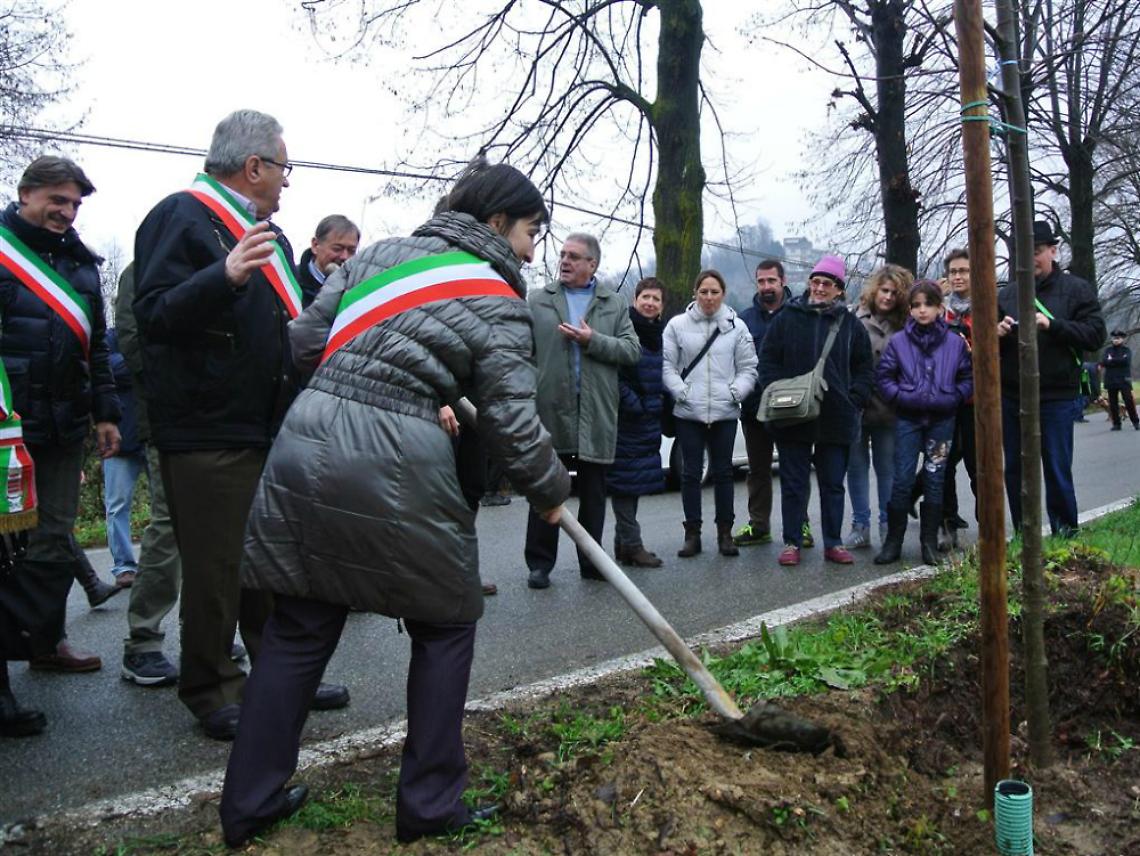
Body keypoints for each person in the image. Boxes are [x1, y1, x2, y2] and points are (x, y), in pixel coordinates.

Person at [219, 160, 570, 848]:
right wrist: (552, 489)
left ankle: (249, 804)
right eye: (532, 232)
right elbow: (511, 422)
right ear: (498, 224)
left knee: (298, 624)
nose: (532, 250)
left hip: (307, 436)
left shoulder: (376, 255)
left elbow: (305, 342)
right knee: (446, 621)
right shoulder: (498, 299)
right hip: (399, 450)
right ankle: (430, 805)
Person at [133, 110, 348, 739]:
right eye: (283, 168)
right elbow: (155, 315)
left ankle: (279, 677)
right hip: (208, 431)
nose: (287, 182)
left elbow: (284, 332)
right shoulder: (180, 216)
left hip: (264, 426)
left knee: (269, 563)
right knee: (219, 567)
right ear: (253, 166)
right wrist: (222, 277)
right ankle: (211, 687)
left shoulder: (270, 237)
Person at [0, 156, 120, 681]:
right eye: (58, 200)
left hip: (64, 423)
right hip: (7, 424)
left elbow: (94, 349)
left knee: (51, 539)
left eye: (74, 203)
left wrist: (106, 415)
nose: (67, 212)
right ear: (26, 194)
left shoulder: (82, 266)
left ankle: (46, 641)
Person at [525, 233, 639, 589]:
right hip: (551, 409)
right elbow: (523, 353)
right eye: (562, 255)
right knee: (546, 489)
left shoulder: (614, 303)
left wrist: (593, 341)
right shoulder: (538, 300)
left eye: (574, 256)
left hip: (595, 411)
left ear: (593, 264)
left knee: (593, 495)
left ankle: (592, 563)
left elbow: (632, 351)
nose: (565, 261)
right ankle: (540, 565)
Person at [757, 254, 873, 567]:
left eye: (828, 283)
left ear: (839, 289)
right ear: (809, 283)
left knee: (833, 484)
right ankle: (792, 541)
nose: (820, 287)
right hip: (791, 416)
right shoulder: (787, 318)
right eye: (816, 281)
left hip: (836, 417)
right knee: (794, 483)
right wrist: (776, 391)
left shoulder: (850, 325)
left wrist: (855, 397)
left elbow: (865, 366)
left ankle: (833, 542)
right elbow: (767, 359)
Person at [998, 220, 1106, 536]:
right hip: (1012, 395)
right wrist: (999, 332)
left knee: (1057, 469)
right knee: (1015, 470)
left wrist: (1053, 324)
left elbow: (1095, 335)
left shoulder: (1076, 290)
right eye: (1023, 253)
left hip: (1057, 396)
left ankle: (1065, 536)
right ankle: (1024, 536)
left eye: (1037, 251)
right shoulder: (1007, 294)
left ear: (1053, 251)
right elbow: (988, 340)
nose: (1030, 259)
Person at [115, 262, 182, 686]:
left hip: (224, 420)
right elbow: (132, 341)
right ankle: (143, 641)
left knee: (218, 530)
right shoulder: (143, 269)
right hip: (169, 416)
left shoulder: (222, 256)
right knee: (169, 524)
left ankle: (207, 636)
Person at [873, 281, 973, 566]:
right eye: (916, 305)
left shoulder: (955, 342)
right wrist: (903, 397)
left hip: (942, 421)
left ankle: (928, 543)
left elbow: (967, 378)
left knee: (935, 479)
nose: (921, 310)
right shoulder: (899, 342)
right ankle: (893, 542)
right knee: (903, 479)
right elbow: (884, 378)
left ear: (940, 308)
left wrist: (953, 397)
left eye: (927, 304)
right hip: (908, 420)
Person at [664, 269, 757, 558]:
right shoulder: (676, 326)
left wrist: (735, 393)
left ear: (723, 294)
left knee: (723, 473)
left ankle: (725, 534)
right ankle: (692, 534)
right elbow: (668, 366)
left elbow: (748, 368)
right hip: (688, 412)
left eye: (714, 292)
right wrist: (681, 392)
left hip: (724, 411)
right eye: (703, 291)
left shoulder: (736, 327)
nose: (708, 297)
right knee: (691, 474)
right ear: (695, 293)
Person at [843, 264, 910, 550]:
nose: (888, 297)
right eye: (884, 290)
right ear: (874, 290)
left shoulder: (905, 323)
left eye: (894, 293)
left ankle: (887, 524)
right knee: (856, 467)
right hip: (857, 403)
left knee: (887, 468)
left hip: (889, 406)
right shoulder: (853, 317)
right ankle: (860, 525)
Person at [607, 277, 667, 567]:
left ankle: (623, 546)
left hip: (648, 422)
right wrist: (637, 406)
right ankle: (632, 544)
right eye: (645, 297)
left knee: (633, 483)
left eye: (656, 299)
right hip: (627, 421)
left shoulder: (658, 334)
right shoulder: (624, 329)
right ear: (635, 299)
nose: (650, 303)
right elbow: (615, 377)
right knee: (624, 484)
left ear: (662, 306)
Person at [735, 260, 791, 548]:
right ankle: (759, 526)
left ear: (783, 281)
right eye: (761, 281)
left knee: (794, 470)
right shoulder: (744, 320)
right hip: (755, 408)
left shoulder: (798, 314)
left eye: (771, 280)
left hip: (792, 407)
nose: (766, 286)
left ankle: (799, 525)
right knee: (758, 471)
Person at [102, 327, 146, 587]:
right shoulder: (109, 338)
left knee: (169, 506)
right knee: (117, 506)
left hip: (152, 435)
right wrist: (140, 363)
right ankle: (124, 567)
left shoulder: (153, 331)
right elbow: (104, 369)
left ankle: (168, 564)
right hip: (118, 440)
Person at [295, 214, 360, 306]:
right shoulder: (290, 283)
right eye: (337, 249)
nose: (345, 257)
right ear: (315, 245)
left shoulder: (357, 291)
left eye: (351, 251)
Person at [1100, 330, 1137, 431]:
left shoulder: (1126, 350)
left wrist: (1112, 360)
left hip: (1124, 379)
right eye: (1114, 338)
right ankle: (1116, 423)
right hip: (1111, 379)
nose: (1116, 340)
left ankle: (1135, 421)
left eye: (1118, 338)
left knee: (1128, 401)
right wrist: (1117, 360)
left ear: (1122, 339)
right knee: (1113, 403)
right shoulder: (1108, 350)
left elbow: (1126, 361)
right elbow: (1104, 362)